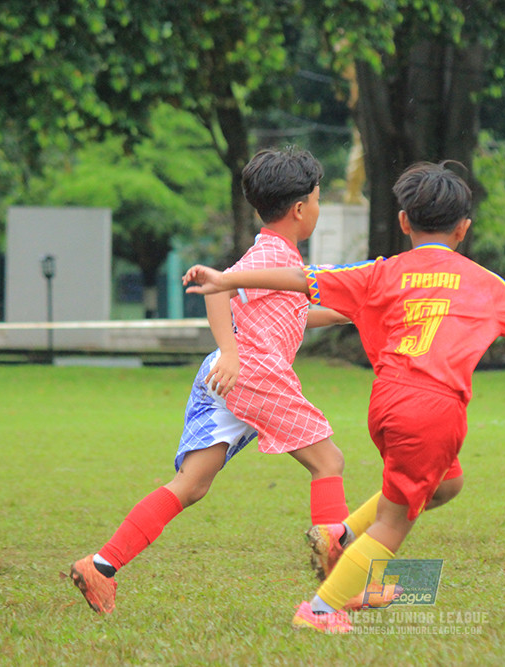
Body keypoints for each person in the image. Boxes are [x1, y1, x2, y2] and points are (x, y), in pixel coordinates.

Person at [182, 161, 505, 633]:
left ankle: (342, 532)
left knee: (446, 484)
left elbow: (306, 278)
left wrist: (228, 280)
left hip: (386, 404)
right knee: (395, 521)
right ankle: (322, 609)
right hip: (434, 410)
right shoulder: (485, 284)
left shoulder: (381, 272)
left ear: (404, 223)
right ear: (464, 229)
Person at [69, 146, 354, 615]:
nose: (319, 210)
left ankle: (99, 567)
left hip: (228, 377)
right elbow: (218, 287)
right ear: (302, 209)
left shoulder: (277, 259)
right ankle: (337, 595)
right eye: (319, 200)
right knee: (329, 462)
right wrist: (231, 351)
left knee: (193, 483)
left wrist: (349, 315)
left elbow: (290, 313)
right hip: (253, 373)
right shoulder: (272, 256)